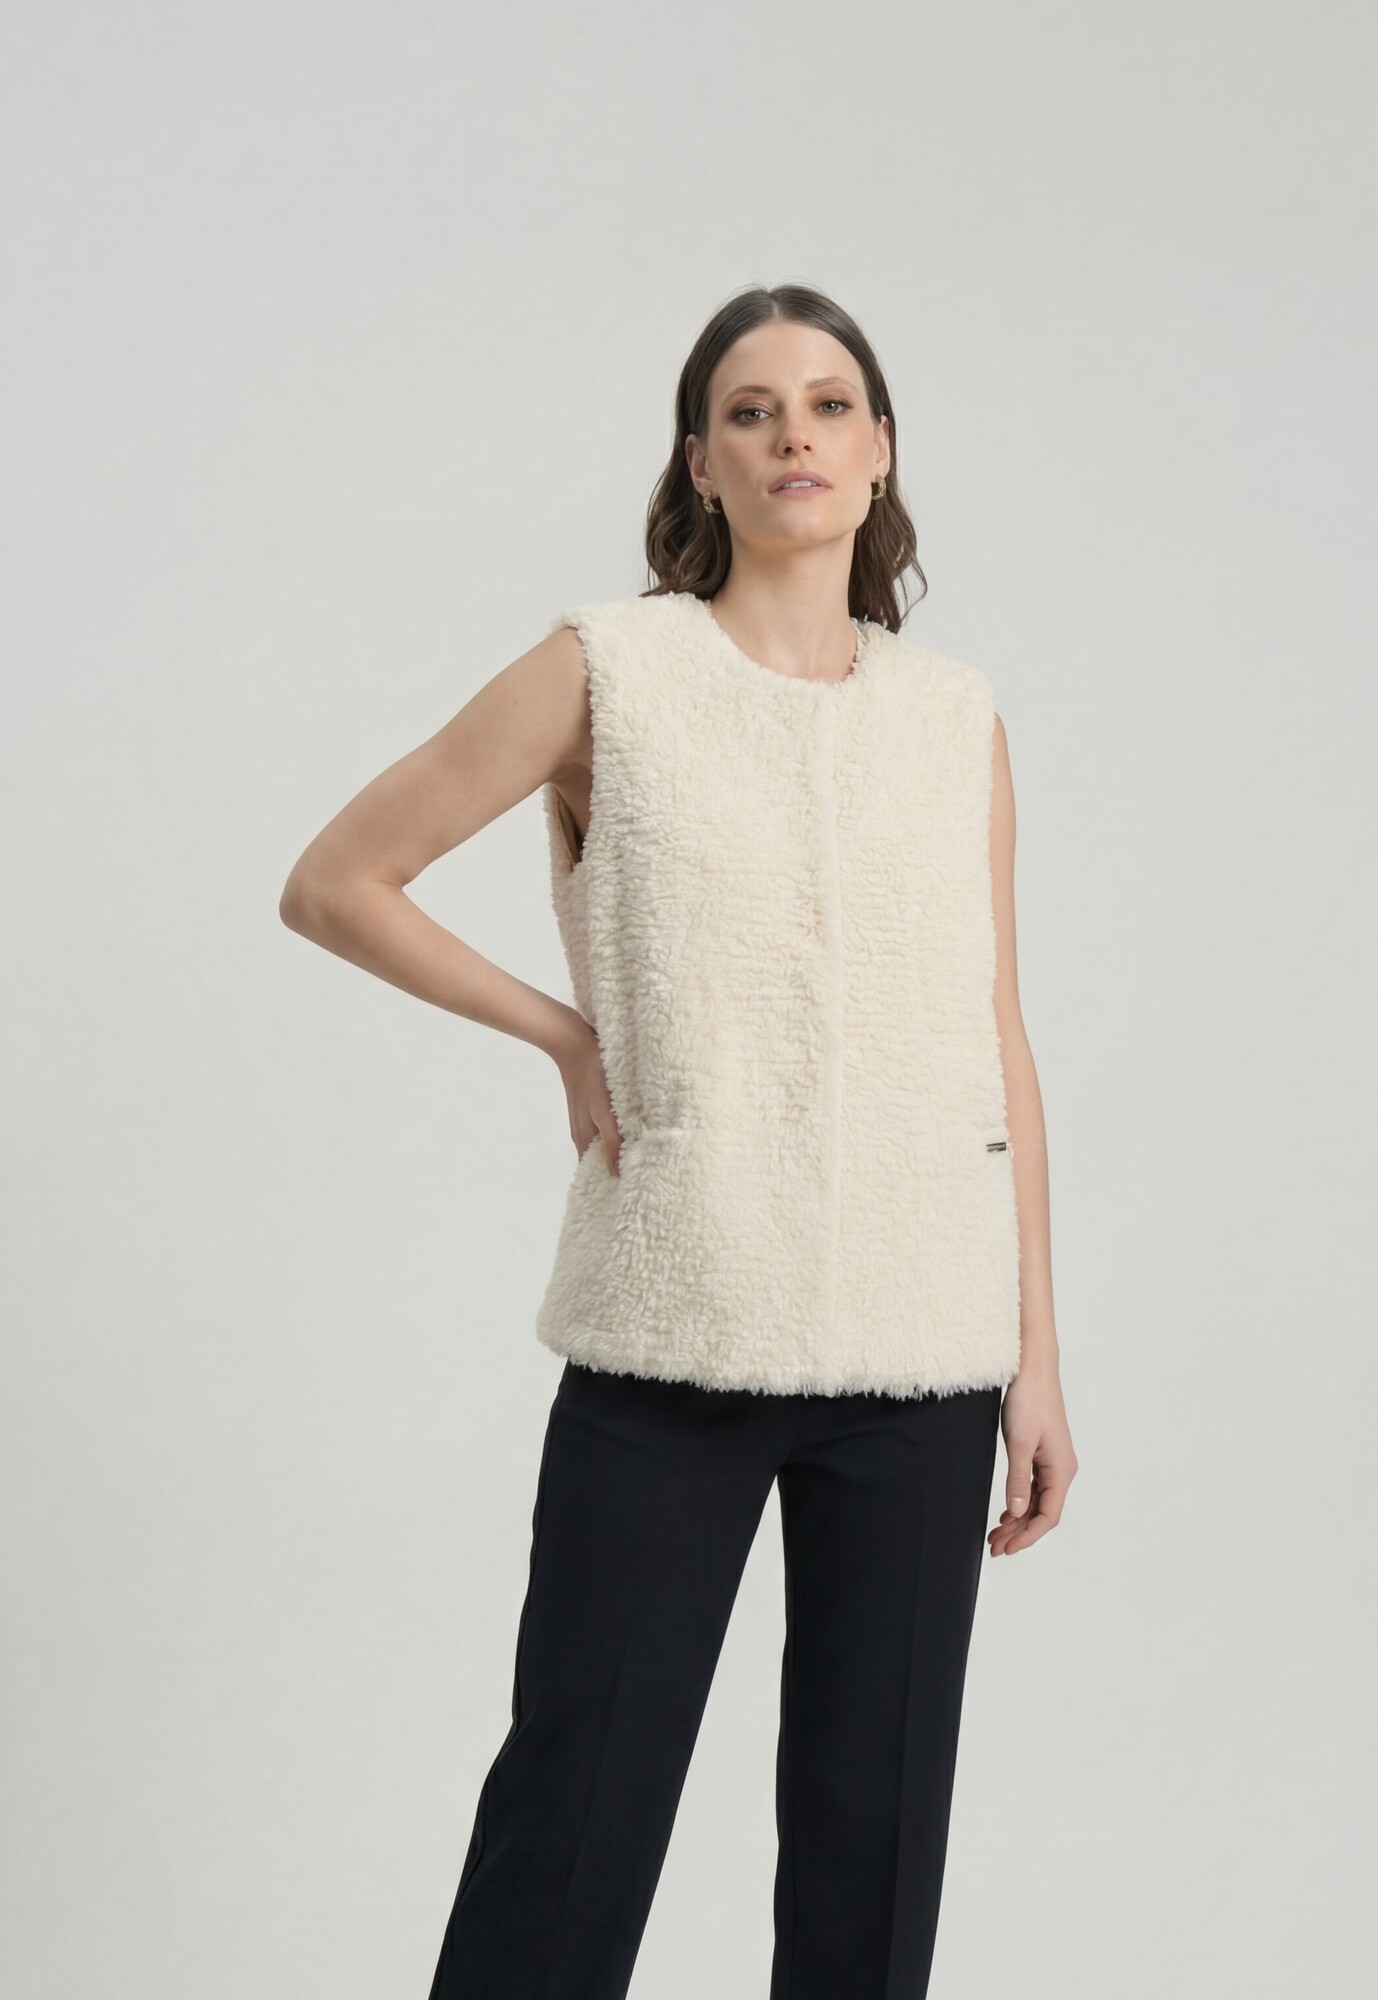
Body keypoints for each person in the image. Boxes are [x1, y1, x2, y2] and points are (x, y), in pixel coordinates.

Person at [279, 280, 1077, 2000]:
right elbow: (337, 881)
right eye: (751, 410)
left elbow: (993, 1033)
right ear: (701, 462)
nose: (796, 436)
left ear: (882, 453)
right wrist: (563, 1031)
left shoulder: (956, 719)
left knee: (874, 1852)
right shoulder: (608, 671)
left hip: (923, 1350)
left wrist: (1038, 1360)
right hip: (675, 1328)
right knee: (572, 1823)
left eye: (832, 404)